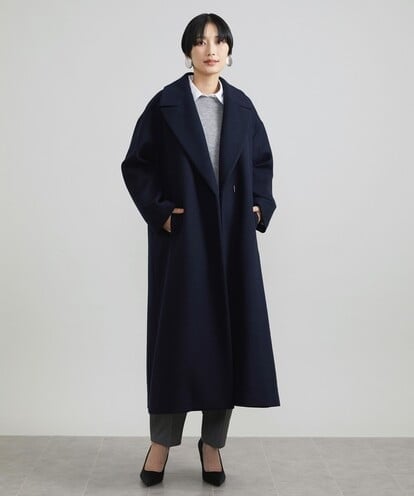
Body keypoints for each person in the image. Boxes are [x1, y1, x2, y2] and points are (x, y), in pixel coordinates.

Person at [121, 12, 281, 487]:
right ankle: (161, 443)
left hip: (231, 241)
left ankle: (212, 444)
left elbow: (262, 163)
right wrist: (163, 213)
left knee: (226, 339)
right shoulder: (166, 105)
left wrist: (258, 207)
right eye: (200, 41)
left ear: (229, 51)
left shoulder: (243, 107)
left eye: (219, 41)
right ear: (188, 50)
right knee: (176, 341)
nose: (211, 50)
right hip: (184, 242)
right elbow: (137, 165)